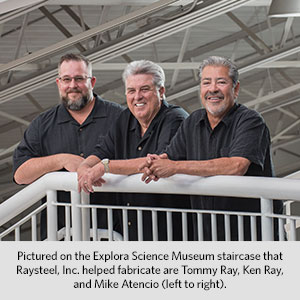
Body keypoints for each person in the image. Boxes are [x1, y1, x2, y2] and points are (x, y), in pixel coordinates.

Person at [140, 56, 283, 241]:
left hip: (253, 237)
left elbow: (236, 166)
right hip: (208, 236)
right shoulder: (192, 121)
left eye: (221, 82)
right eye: (206, 82)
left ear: (236, 88)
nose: (213, 89)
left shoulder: (250, 121)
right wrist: (153, 164)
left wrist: (175, 167)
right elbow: (168, 157)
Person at [13, 53, 125, 239]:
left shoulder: (120, 118)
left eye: (79, 78)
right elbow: (20, 175)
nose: (73, 85)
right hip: (60, 238)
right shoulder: (42, 125)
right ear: (59, 83)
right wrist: (61, 159)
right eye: (67, 79)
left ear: (92, 81)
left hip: (114, 236)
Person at [77, 60, 191, 241]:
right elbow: (101, 151)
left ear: (160, 92)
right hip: (131, 233)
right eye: (131, 91)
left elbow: (156, 163)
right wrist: (84, 167)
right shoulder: (125, 119)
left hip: (170, 234)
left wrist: (105, 167)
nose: (137, 96)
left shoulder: (175, 119)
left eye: (144, 89)